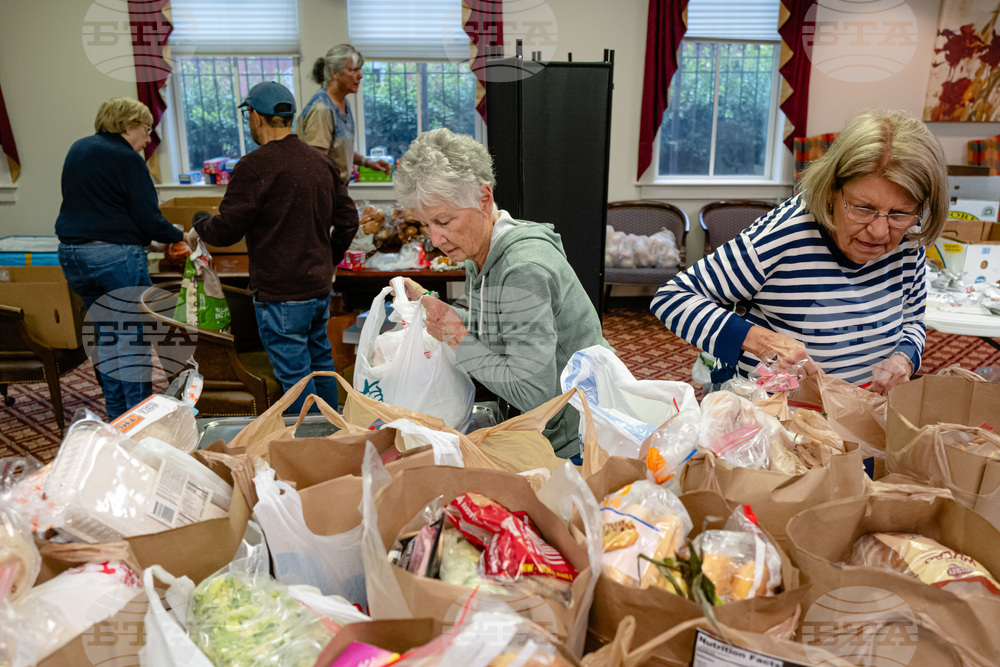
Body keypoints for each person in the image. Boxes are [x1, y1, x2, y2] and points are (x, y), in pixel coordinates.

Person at [651, 108, 948, 396]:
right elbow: (673, 298)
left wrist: (905, 358)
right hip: (773, 417)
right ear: (832, 191)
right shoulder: (788, 232)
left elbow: (912, 319)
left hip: (858, 410)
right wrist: (761, 340)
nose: (880, 231)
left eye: (899, 213)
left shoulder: (910, 235)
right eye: (863, 208)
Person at [393, 128, 610, 459]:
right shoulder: (482, 251)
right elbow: (499, 325)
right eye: (425, 224)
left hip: (578, 439)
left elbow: (534, 394)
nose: (435, 238)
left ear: (484, 198)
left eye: (444, 220)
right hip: (547, 428)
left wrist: (455, 336)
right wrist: (429, 303)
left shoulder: (523, 269)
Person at [191, 81, 359, 414]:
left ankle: (311, 444)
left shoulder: (254, 167)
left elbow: (224, 232)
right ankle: (335, 433)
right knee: (321, 362)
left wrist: (199, 221)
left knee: (295, 375)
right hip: (318, 290)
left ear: (255, 116)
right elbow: (349, 221)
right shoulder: (320, 163)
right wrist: (329, 258)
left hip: (280, 296)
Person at [55, 97, 185, 420]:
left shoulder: (78, 149)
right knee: (134, 341)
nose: (148, 138)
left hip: (73, 256)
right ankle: (139, 421)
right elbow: (148, 218)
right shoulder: (128, 159)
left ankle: (117, 418)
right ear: (128, 127)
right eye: (146, 129)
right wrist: (178, 236)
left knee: (108, 340)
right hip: (114, 257)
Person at [295, 44, 390, 184]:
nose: (360, 75)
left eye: (360, 69)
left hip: (337, 190)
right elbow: (318, 166)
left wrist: (368, 163)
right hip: (324, 192)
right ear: (335, 73)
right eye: (354, 70)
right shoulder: (322, 110)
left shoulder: (343, 103)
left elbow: (339, 151)